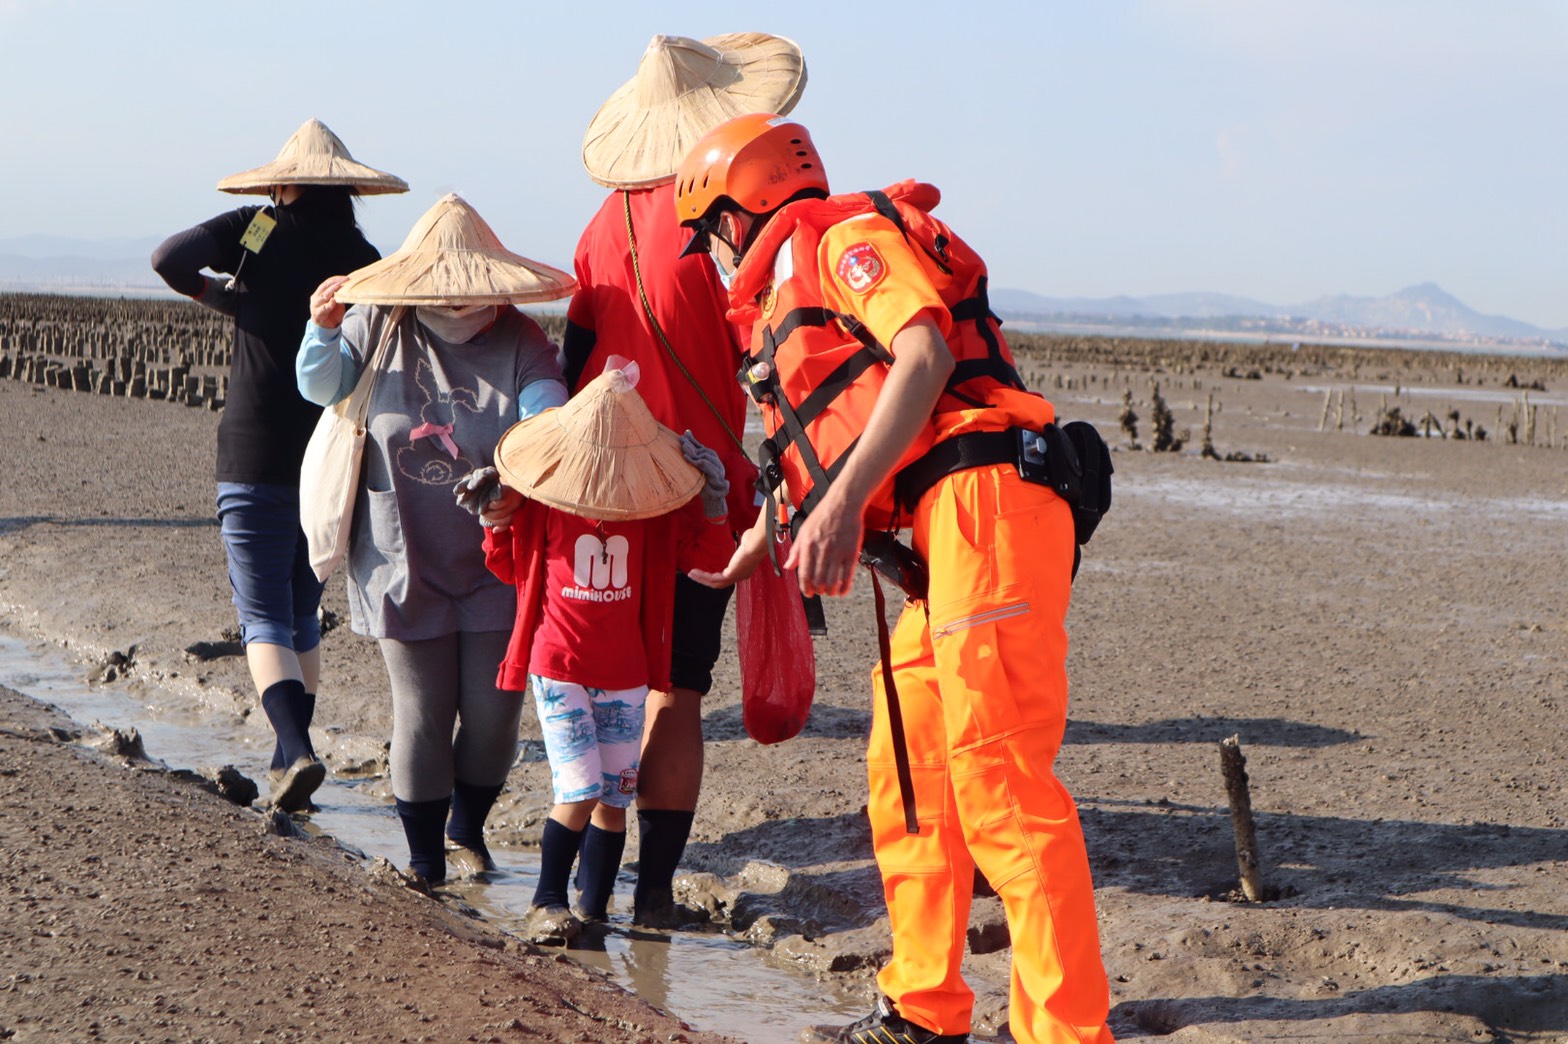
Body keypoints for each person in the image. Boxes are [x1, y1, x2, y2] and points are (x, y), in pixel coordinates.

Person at [675, 114, 1114, 1044]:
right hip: (934, 535)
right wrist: (762, 542)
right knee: (911, 778)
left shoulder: (845, 241)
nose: (712, 251)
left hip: (986, 503)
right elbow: (826, 434)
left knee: (1001, 785)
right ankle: (923, 1007)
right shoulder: (785, 286)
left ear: (741, 204)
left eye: (709, 226)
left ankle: (1070, 1033)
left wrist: (839, 507)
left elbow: (924, 356)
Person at [563, 31, 806, 926]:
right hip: (704, 496)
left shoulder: (603, 224)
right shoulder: (740, 223)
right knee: (678, 690)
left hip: (604, 494)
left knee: (604, 684)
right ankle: (653, 896)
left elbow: (574, 357)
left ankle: (581, 892)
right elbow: (780, 360)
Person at [296, 193, 575, 888]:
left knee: (490, 718)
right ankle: (425, 868)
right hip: (400, 549)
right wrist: (322, 329)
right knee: (421, 711)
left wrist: (529, 458)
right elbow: (320, 386)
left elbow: (548, 416)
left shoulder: (522, 341)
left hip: (500, 553)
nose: (453, 298)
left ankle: (466, 830)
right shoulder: (379, 322)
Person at [151, 118, 406, 812]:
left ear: (284, 181)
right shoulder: (363, 253)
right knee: (300, 608)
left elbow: (168, 258)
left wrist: (228, 299)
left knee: (260, 612)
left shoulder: (256, 226)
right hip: (327, 455)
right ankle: (282, 757)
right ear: (347, 186)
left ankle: (295, 750)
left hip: (254, 446)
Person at [462, 364, 733, 943]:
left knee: (615, 797)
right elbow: (508, 564)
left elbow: (706, 561)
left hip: (627, 672)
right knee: (580, 789)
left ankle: (593, 912)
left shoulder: (652, 516)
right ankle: (546, 902)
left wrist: (714, 504)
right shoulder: (545, 503)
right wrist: (493, 519)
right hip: (558, 665)